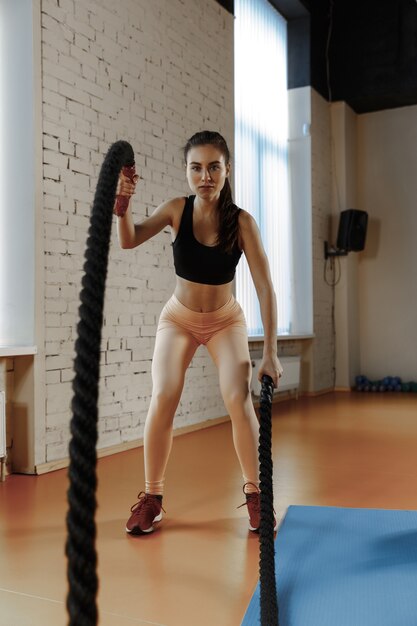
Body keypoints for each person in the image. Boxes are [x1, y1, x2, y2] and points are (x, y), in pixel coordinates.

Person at [115, 130, 283, 535]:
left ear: (227, 170)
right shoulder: (176, 209)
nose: (204, 176)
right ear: (186, 171)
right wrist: (123, 203)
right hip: (179, 319)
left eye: (213, 167)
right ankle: (152, 498)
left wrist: (271, 352)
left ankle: (255, 494)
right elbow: (129, 239)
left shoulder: (242, 222)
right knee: (164, 394)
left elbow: (265, 287)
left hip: (226, 320)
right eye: (196, 168)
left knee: (237, 397)